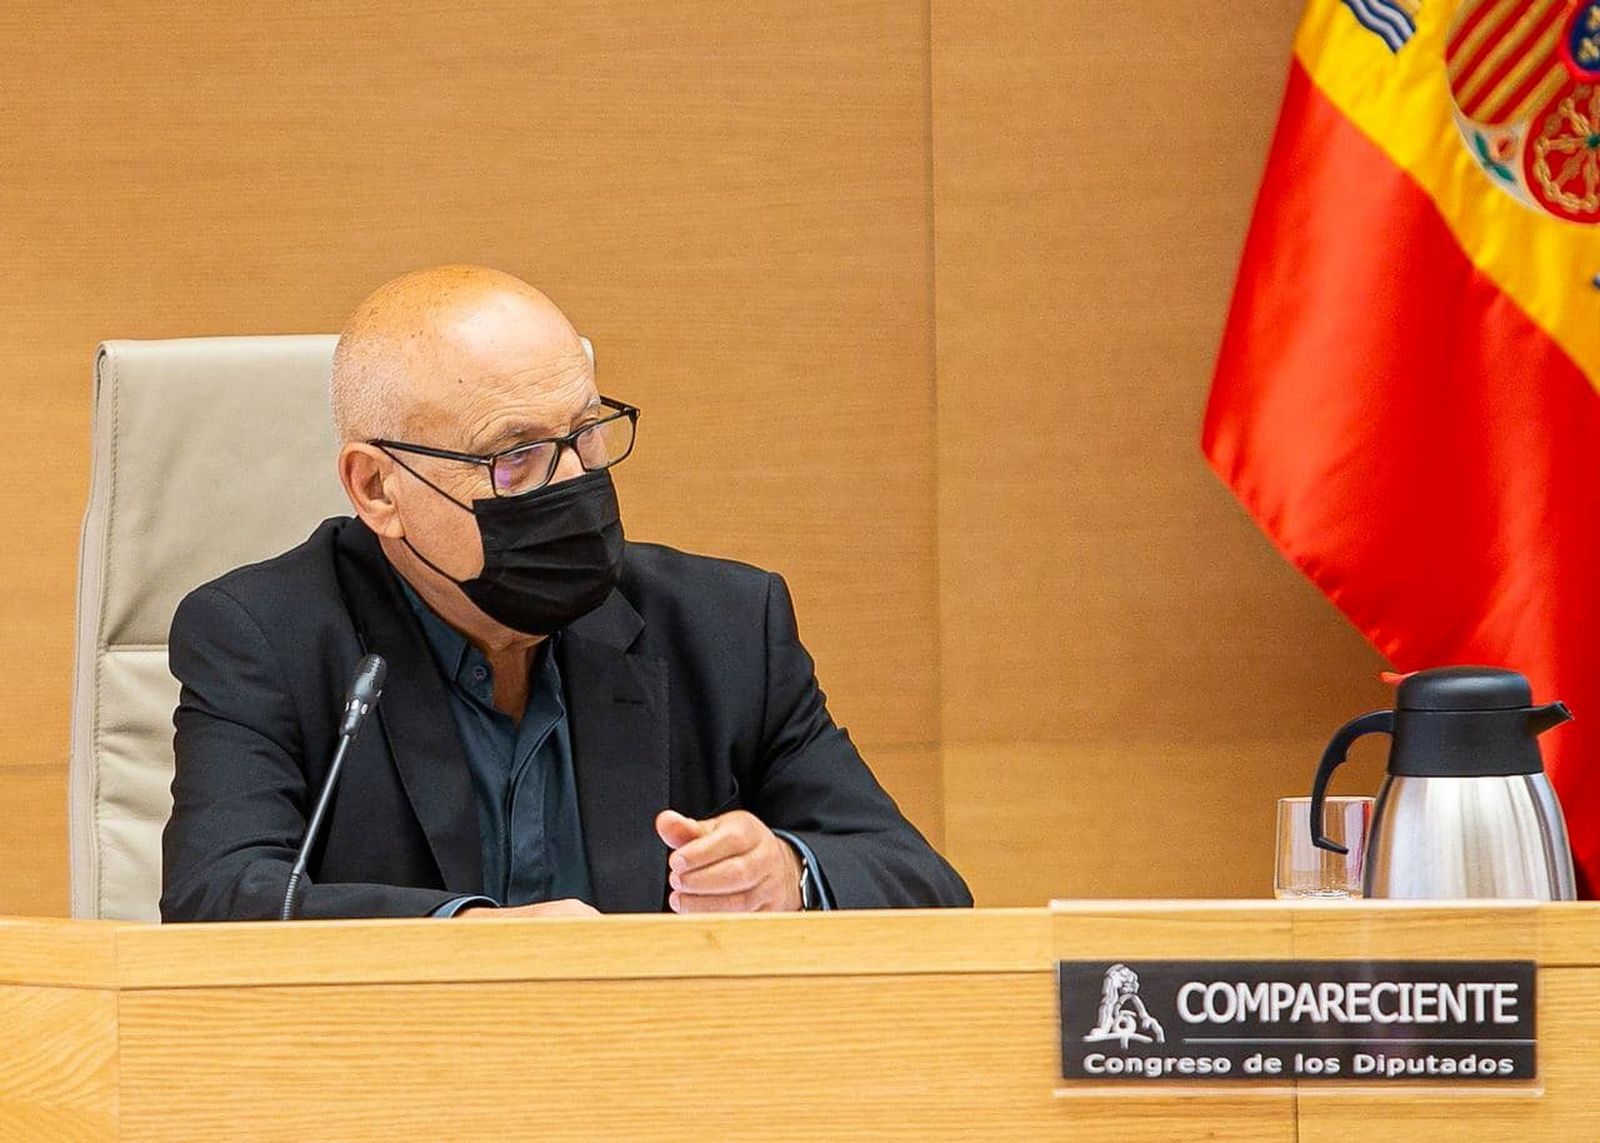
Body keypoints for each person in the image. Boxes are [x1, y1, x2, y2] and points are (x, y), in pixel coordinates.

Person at [160, 265, 971, 920]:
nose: (577, 482)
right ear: (377, 488)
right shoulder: (262, 636)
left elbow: (921, 882)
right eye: (514, 456)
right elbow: (219, 896)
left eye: (585, 434)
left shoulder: (724, 628)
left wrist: (788, 874)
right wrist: (471, 939)